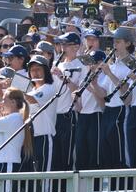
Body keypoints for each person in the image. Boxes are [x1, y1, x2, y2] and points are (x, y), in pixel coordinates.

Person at [90, 28, 133, 170]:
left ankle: (122, 188)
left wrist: (109, 74)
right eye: (114, 42)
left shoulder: (131, 65)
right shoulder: (112, 65)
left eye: (118, 42)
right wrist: (94, 82)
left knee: (119, 153)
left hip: (121, 110)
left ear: (128, 43)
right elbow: (103, 94)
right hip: (109, 110)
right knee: (105, 152)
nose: (115, 45)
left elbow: (126, 94)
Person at [51, 32, 82, 172]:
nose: (62, 48)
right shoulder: (56, 64)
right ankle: (56, 191)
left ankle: (67, 190)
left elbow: (78, 90)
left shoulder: (80, 65)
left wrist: (63, 77)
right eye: (61, 44)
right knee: (55, 156)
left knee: (68, 156)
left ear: (76, 46)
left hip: (69, 115)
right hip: (54, 115)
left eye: (66, 45)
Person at [73, 50, 106, 170]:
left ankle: (94, 187)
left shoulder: (103, 78)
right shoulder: (84, 78)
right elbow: (80, 107)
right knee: (81, 152)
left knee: (94, 153)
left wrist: (93, 87)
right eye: (88, 63)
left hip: (96, 116)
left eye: (93, 62)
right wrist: (75, 99)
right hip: (83, 117)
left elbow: (103, 104)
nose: (90, 65)